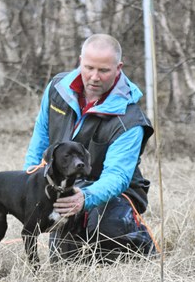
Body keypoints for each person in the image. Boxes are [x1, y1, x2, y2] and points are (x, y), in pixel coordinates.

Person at [24, 34, 157, 262]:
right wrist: (31, 181)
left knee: (107, 225)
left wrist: (83, 198)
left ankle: (138, 247)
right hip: (66, 183)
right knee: (65, 262)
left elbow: (117, 176)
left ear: (118, 68)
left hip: (113, 192)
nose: (94, 77)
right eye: (89, 68)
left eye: (104, 70)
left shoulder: (131, 120)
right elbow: (40, 139)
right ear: (80, 61)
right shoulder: (57, 88)